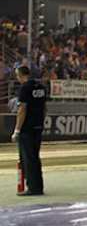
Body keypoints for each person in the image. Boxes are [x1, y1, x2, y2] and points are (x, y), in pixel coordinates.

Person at [11, 66, 47, 196]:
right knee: (35, 157)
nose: (17, 78)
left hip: (27, 128)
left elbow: (22, 110)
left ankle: (33, 188)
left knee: (28, 158)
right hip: (38, 126)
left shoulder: (24, 88)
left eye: (17, 75)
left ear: (21, 75)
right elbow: (44, 108)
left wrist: (17, 130)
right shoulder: (41, 87)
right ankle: (38, 185)